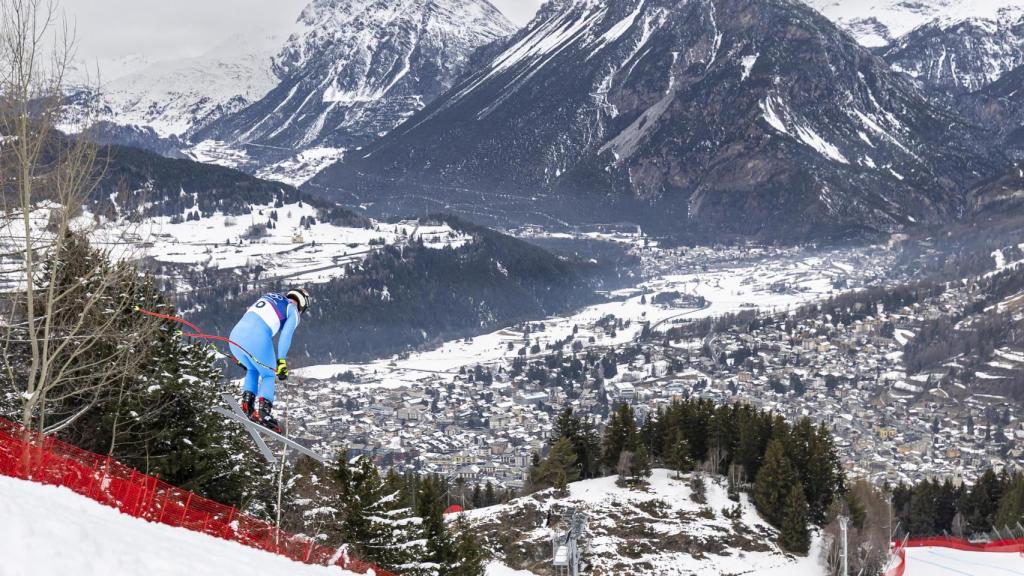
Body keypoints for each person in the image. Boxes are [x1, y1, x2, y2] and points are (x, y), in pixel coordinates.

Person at [229, 288, 310, 432]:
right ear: (302, 305)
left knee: (253, 369)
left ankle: (246, 405)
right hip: (256, 338)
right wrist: (281, 361)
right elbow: (286, 335)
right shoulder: (293, 310)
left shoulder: (270, 297)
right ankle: (263, 413)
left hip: (234, 338)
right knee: (268, 374)